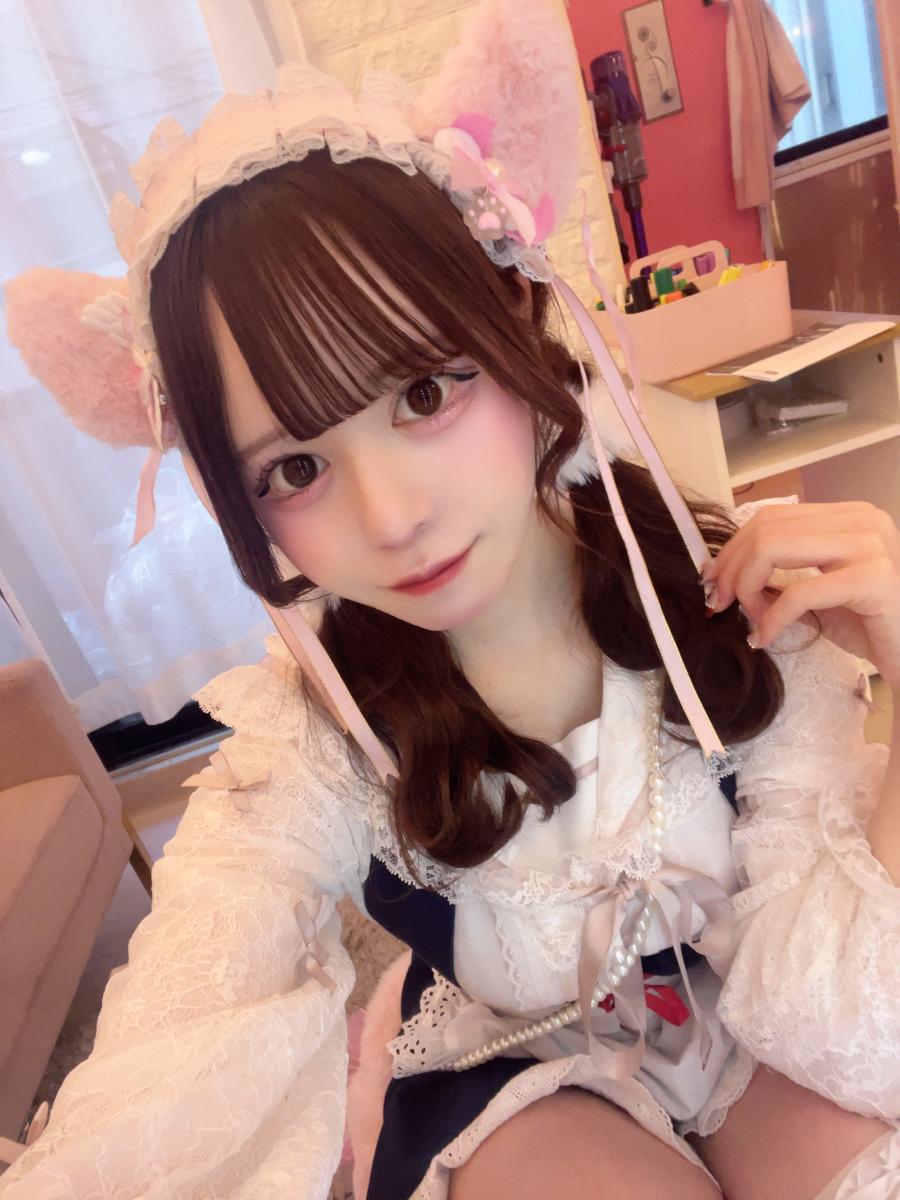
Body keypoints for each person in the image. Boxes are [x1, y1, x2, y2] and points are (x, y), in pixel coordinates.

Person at [2, 1, 899, 1196]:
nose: (391, 518)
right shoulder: (316, 740)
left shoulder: (719, 595)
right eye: (294, 469)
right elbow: (189, 1007)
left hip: (755, 1010)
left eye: (423, 393)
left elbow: (853, 1015)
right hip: (523, 1071)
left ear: (516, 316)